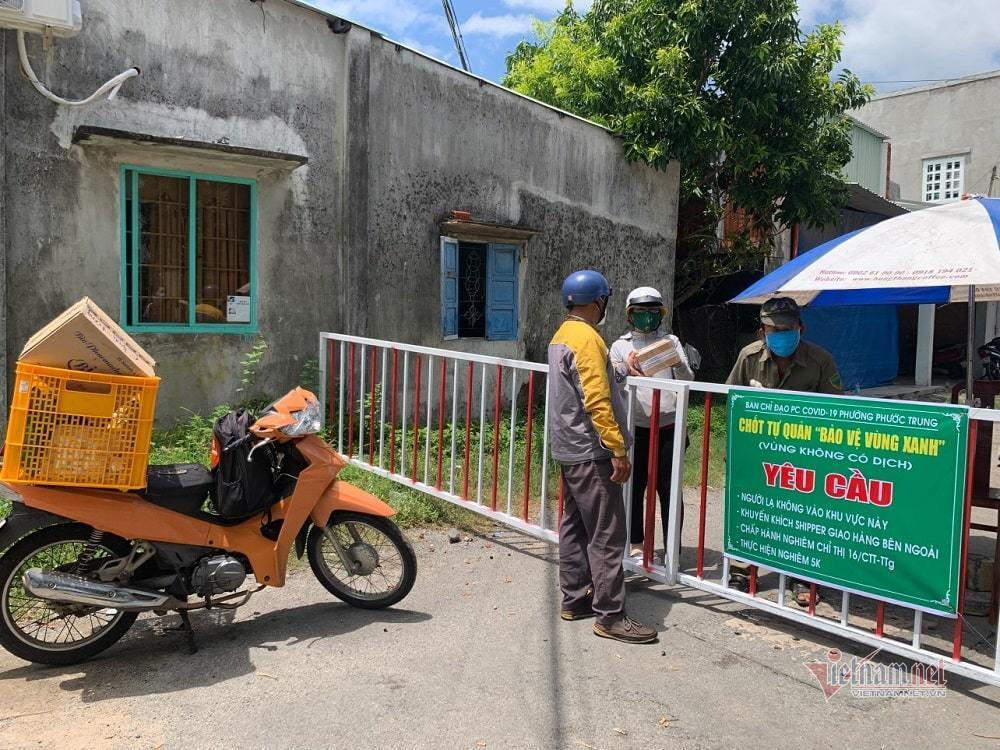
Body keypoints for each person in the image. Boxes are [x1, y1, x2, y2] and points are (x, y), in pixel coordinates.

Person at [548, 270, 657, 644]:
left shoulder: (563, 335)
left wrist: (623, 369)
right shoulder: (588, 339)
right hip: (591, 450)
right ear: (599, 302)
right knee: (608, 533)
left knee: (575, 526)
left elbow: (594, 377)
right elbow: (596, 398)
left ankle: (574, 599)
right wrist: (618, 449)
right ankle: (610, 616)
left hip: (567, 448)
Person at [725, 296, 842, 606]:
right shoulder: (748, 357)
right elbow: (731, 401)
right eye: (772, 330)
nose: (780, 334)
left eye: (787, 328)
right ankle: (743, 567)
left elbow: (838, 411)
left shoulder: (820, 361)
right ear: (762, 332)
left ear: (800, 328)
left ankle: (802, 575)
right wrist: (733, 448)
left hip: (804, 456)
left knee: (803, 515)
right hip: (758, 453)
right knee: (752, 506)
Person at [609, 287, 694, 562]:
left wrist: (678, 361)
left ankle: (672, 551)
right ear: (630, 315)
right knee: (634, 488)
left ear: (660, 315)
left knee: (670, 489)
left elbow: (687, 378)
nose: (647, 318)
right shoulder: (620, 346)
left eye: (652, 313)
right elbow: (613, 382)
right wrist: (626, 368)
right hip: (635, 428)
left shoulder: (671, 341)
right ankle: (635, 544)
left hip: (669, 426)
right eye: (641, 313)